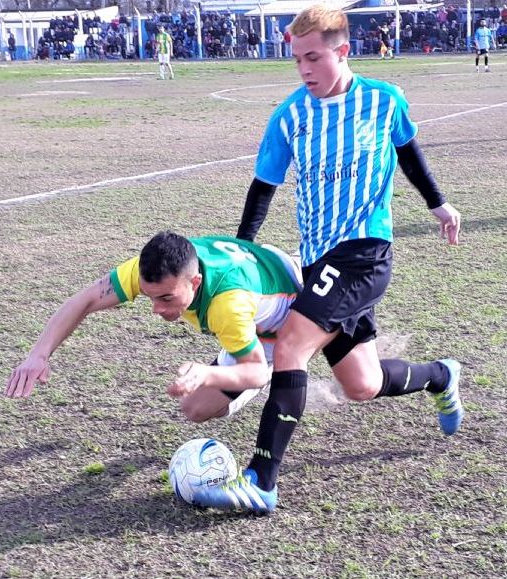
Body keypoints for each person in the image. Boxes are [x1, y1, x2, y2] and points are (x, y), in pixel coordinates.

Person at [192, 4, 464, 514]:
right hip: (318, 260)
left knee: (292, 344)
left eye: (313, 57)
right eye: (296, 60)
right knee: (363, 384)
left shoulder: (385, 100)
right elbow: (263, 187)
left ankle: (261, 480)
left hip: (364, 251)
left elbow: (408, 152)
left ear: (343, 51)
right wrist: (240, 252)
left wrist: (438, 203)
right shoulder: (290, 114)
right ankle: (442, 376)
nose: (304, 69)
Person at [5, 232, 301, 423]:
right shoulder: (157, 268)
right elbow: (85, 299)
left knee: (350, 385)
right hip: (264, 278)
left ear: (195, 282)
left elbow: (257, 372)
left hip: (294, 313)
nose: (156, 309)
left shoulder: (227, 305)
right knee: (194, 409)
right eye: (150, 296)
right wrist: (38, 355)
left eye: (166, 298)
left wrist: (208, 373)